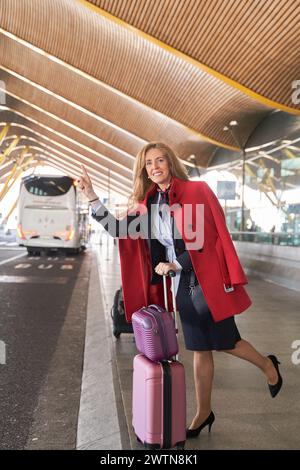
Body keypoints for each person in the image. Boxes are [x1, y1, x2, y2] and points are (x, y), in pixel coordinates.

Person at [77, 142, 283, 438]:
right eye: (149, 163)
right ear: (144, 170)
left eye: (160, 160)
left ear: (170, 163)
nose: (155, 166)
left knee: (226, 341)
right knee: (199, 347)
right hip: (183, 288)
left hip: (207, 284)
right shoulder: (148, 203)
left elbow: (206, 241)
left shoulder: (195, 192)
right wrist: (92, 196)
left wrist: (176, 264)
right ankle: (203, 412)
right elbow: (119, 230)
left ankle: (268, 365)